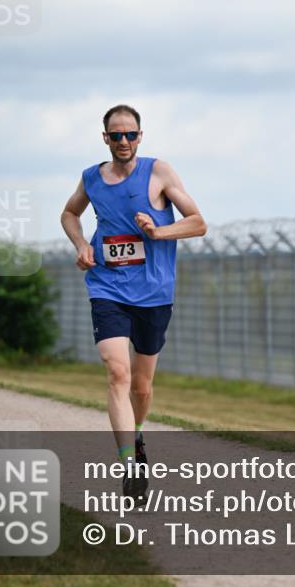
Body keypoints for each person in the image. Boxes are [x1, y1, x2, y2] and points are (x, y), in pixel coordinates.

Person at [60, 104, 207, 498]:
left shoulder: (158, 172)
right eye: (116, 135)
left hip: (153, 292)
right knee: (117, 373)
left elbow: (198, 222)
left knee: (141, 388)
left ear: (140, 136)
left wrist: (158, 232)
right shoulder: (92, 178)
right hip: (106, 286)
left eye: (130, 134)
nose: (123, 141)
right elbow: (70, 213)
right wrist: (81, 244)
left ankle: (137, 435)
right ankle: (129, 465)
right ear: (105, 138)